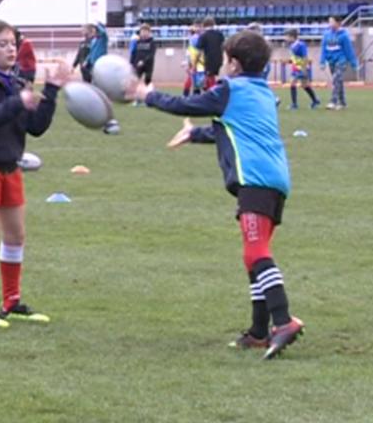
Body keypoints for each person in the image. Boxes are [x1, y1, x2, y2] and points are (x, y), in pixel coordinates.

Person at [129, 30, 304, 360]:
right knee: (253, 254)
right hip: (274, 178)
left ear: (234, 64)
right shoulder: (261, 92)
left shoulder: (230, 89)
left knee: (256, 254)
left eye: (225, 61)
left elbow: (187, 103)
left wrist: (146, 94)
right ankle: (257, 332)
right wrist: (194, 134)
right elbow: (232, 130)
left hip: (256, 180)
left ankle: (283, 322)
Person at [0, 19, 70, 328]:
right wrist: (18, 101)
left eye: (13, 43)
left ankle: (12, 303)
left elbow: (36, 127)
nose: (11, 49)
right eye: (2, 44)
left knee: (16, 235)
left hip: (10, 166)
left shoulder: (15, 82)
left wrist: (50, 90)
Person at [318, 16, 358, 110]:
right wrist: (322, 61)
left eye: (332, 22)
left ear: (338, 23)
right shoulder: (326, 35)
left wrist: (353, 63)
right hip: (331, 61)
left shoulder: (344, 36)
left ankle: (333, 101)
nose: (330, 24)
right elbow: (323, 49)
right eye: (329, 22)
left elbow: (349, 50)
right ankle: (343, 102)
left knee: (336, 79)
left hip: (341, 61)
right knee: (338, 82)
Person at [286, 29, 319, 110]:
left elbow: (305, 56)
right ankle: (315, 100)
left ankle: (294, 104)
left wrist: (304, 67)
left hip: (301, 68)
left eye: (287, 36)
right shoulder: (292, 46)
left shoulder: (301, 45)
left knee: (293, 83)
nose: (286, 38)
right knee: (304, 85)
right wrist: (290, 61)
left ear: (292, 37)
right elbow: (295, 57)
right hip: (296, 67)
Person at [196, 17, 225, 90]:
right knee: (216, 78)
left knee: (210, 79)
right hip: (220, 59)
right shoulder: (219, 34)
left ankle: (213, 94)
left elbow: (199, 51)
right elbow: (223, 47)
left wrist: (195, 63)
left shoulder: (203, 36)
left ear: (204, 25)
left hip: (209, 60)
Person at [182, 25, 204, 97]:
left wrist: (188, 64)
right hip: (199, 64)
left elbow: (190, 54)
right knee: (197, 82)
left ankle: (187, 95)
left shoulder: (193, 40)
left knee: (194, 81)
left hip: (195, 64)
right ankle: (196, 96)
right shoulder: (198, 39)